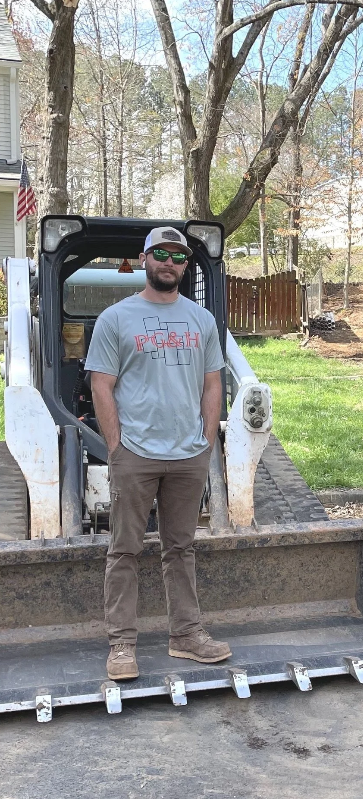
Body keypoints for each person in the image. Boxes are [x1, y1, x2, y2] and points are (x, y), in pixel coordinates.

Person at [86, 226, 231, 681]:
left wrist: (206, 441)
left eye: (178, 257)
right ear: (145, 259)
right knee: (124, 549)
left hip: (188, 453)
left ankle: (186, 635)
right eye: (162, 254)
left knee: (181, 548)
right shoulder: (116, 319)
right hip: (136, 454)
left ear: (185, 266)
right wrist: (116, 446)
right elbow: (100, 385)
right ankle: (122, 645)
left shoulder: (201, 320)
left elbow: (213, 383)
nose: (170, 262)